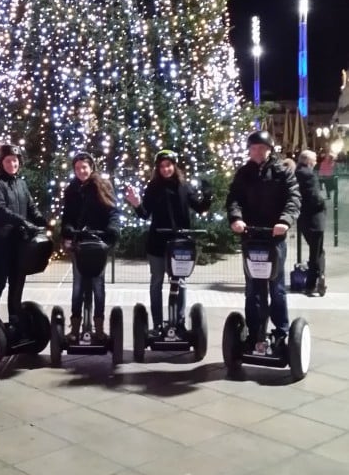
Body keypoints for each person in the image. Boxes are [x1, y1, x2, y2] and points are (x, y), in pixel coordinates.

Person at [226, 130, 300, 352]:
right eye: (254, 148)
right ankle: (254, 332)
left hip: (274, 237)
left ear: (269, 150)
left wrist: (284, 221)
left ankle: (281, 332)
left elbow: (294, 199)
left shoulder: (282, 172)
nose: (258, 151)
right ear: (249, 150)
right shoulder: (243, 174)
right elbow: (234, 199)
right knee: (252, 289)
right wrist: (236, 218)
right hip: (251, 238)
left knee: (276, 288)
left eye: (262, 148)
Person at [125, 149, 212, 335]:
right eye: (162, 166)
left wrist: (207, 195)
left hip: (180, 243)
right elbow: (145, 214)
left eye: (169, 165)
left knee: (180, 282)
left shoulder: (184, 186)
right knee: (156, 282)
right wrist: (136, 204)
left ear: (174, 166)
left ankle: (179, 323)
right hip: (158, 242)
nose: (166, 169)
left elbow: (200, 207)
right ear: (158, 169)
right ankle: (157, 324)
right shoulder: (153, 187)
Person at [61, 151, 120, 341]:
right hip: (79, 243)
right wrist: (68, 231)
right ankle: (75, 328)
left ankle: (99, 328)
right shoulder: (71, 190)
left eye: (84, 167)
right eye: (77, 168)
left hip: (98, 243)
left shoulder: (103, 186)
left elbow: (113, 213)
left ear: (91, 167)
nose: (81, 171)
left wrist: (112, 230)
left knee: (98, 285)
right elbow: (67, 217)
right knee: (78, 285)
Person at [0, 144, 47, 324]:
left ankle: (15, 321)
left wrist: (42, 221)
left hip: (20, 243)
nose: (12, 164)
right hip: (1, 243)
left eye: (15, 160)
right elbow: (0, 209)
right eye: (8, 161)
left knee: (17, 283)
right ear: (1, 163)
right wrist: (23, 222)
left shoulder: (21, 183)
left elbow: (31, 207)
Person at [296, 149, 327, 296]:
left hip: (304, 219)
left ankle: (318, 278)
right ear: (308, 161)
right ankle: (313, 282)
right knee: (316, 252)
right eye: (314, 160)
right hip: (315, 219)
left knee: (317, 251)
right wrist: (323, 204)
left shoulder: (296, 173)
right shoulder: (309, 174)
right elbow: (315, 197)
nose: (315, 162)